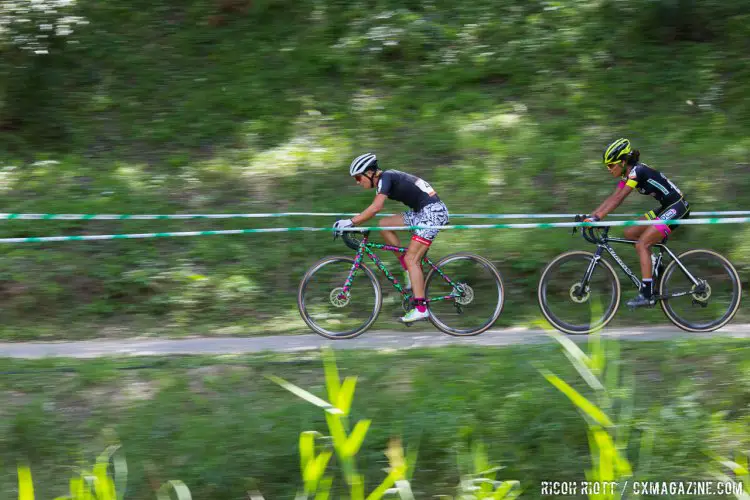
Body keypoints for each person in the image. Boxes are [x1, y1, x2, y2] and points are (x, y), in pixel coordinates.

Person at [333, 153, 449, 323]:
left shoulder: (385, 177)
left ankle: (421, 309)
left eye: (358, 177)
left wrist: (350, 222)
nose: (358, 182)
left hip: (432, 213)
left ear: (370, 173)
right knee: (384, 224)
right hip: (422, 212)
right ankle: (408, 270)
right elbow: (376, 212)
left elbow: (376, 207)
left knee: (412, 258)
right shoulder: (385, 179)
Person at [586, 138, 691, 308]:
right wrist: (591, 216)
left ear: (622, 162)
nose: (608, 169)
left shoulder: (637, 172)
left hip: (677, 207)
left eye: (611, 165)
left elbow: (619, 199)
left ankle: (646, 293)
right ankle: (655, 263)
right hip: (666, 207)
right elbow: (613, 197)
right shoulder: (627, 175)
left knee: (642, 244)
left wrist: (598, 218)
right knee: (630, 233)